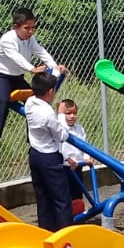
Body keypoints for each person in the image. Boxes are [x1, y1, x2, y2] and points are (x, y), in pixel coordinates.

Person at [0, 7, 66, 158]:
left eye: (33, 28)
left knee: (35, 102)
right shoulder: (8, 39)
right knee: (3, 100)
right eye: (27, 28)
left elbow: (40, 51)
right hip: (1, 76)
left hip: (17, 78)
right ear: (16, 27)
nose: (31, 31)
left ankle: (33, 140)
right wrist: (32, 69)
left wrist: (55, 66)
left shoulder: (30, 39)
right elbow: (15, 57)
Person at [25, 71, 73, 232]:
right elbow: (62, 135)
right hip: (49, 157)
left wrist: (58, 72)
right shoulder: (48, 114)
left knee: (43, 197)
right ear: (51, 91)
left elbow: (45, 89)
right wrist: (61, 116)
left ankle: (46, 232)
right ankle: (65, 234)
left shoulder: (30, 102)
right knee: (62, 199)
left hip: (35, 155)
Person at [58, 98, 94, 211]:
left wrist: (87, 157)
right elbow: (59, 147)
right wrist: (67, 159)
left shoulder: (79, 128)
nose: (72, 116)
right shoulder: (60, 128)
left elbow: (84, 145)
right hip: (65, 167)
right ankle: (67, 215)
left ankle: (78, 213)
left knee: (77, 192)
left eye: (74, 113)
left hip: (78, 166)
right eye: (68, 113)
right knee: (66, 193)